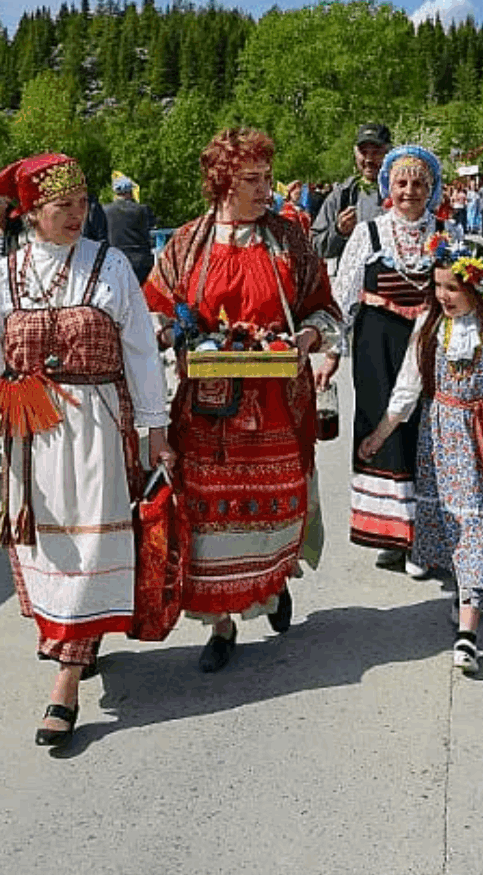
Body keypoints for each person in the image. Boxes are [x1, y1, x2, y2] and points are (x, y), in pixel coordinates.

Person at [0, 152, 173, 747]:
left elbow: (140, 348)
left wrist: (155, 426)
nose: (75, 215)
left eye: (81, 204)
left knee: (92, 541)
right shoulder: (5, 276)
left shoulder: (109, 264)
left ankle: (66, 676)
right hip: (32, 432)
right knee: (51, 546)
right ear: (32, 213)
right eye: (61, 206)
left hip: (97, 425)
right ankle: (76, 634)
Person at [145, 128, 340, 674]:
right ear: (222, 181)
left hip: (277, 400)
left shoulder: (290, 239)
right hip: (206, 405)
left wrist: (305, 338)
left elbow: (325, 310)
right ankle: (221, 625)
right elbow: (154, 308)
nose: (265, 188)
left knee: (276, 503)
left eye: (266, 177)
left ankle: (272, 585)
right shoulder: (187, 242)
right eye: (252, 179)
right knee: (208, 514)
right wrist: (170, 332)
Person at [359, 235, 483, 673]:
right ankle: (467, 594)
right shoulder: (429, 328)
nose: (443, 296)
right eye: (438, 286)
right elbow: (408, 387)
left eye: (453, 288)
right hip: (440, 438)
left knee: (477, 521)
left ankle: (468, 632)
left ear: (478, 287)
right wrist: (380, 434)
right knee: (454, 523)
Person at [319, 145, 450, 575]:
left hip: (430, 345)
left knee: (425, 431)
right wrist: (332, 352)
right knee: (382, 428)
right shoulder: (369, 234)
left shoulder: (447, 235)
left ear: (431, 190)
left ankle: (422, 537)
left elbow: (468, 292)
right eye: (402, 183)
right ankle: (391, 534)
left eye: (418, 183)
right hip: (377, 344)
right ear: (388, 188)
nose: (410, 190)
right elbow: (342, 298)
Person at [309, 122, 391, 262]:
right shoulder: (343, 194)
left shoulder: (403, 192)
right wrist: (339, 231)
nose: (369, 159)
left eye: (376, 152)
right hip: (354, 280)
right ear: (355, 153)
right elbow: (315, 245)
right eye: (364, 152)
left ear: (389, 153)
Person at [102, 174, 157, 283]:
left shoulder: (105, 210)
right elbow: (150, 228)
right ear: (130, 191)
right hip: (140, 262)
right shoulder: (141, 210)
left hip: (115, 261)